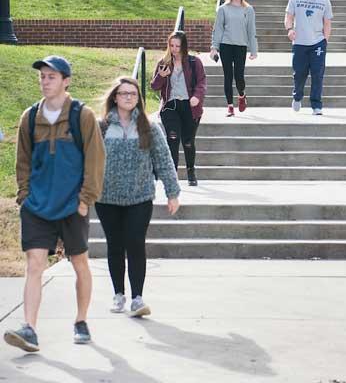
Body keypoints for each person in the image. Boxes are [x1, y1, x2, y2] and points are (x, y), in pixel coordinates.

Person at [4, 56, 105, 352]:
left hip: (73, 205)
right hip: (37, 205)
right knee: (34, 264)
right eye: (42, 76)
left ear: (66, 80)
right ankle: (30, 329)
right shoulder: (29, 116)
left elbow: (96, 160)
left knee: (79, 263)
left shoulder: (81, 115)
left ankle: (81, 320)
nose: (45, 81)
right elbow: (22, 161)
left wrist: (86, 199)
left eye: (51, 76)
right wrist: (24, 196)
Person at [95, 77, 181, 318]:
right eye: (123, 93)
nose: (129, 97)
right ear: (115, 97)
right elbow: (87, 161)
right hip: (106, 198)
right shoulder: (100, 126)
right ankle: (118, 294)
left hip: (140, 198)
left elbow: (163, 160)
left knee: (135, 244)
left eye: (133, 94)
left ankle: (137, 298)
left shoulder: (149, 127)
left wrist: (172, 193)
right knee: (115, 245)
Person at [151, 31, 207, 185]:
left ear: (184, 46)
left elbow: (202, 82)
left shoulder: (194, 62)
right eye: (172, 45)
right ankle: (172, 174)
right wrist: (161, 76)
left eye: (177, 46)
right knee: (173, 139)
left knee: (188, 141)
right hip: (170, 107)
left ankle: (190, 171)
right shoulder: (163, 62)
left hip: (190, 106)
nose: (174, 49)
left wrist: (197, 96)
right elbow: (154, 86)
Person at [284, 0, 333, 115]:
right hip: (299, 42)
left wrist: (325, 40)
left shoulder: (324, 1)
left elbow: (327, 22)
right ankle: (297, 97)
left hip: (318, 42)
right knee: (299, 73)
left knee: (317, 74)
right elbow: (288, 16)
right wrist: (290, 29)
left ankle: (316, 105)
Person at [211, 0, 258, 117]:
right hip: (226, 45)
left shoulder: (248, 9)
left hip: (241, 46)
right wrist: (214, 47)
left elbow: (251, 30)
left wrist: (253, 50)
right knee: (228, 76)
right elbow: (218, 29)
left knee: (239, 76)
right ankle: (230, 107)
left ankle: (242, 95)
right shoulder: (223, 9)